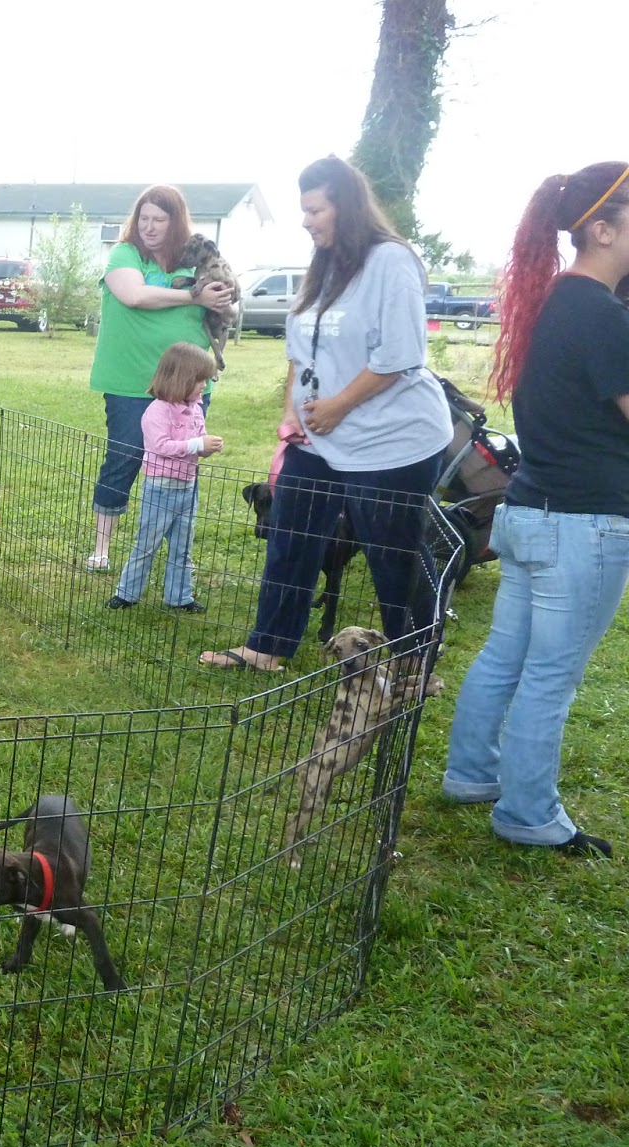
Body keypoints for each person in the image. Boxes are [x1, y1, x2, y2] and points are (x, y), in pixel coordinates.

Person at [440, 161, 629, 859]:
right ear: (602, 229)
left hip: (528, 515)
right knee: (549, 674)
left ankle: (470, 774)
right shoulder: (600, 315)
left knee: (507, 655)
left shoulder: (557, 301)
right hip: (580, 525)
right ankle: (526, 813)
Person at [201, 155, 451, 673]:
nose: (306, 220)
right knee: (290, 537)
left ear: (347, 206)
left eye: (314, 209)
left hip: (391, 443)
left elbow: (400, 356)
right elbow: (300, 353)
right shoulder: (324, 266)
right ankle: (267, 647)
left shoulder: (390, 261)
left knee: (393, 554)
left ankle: (415, 662)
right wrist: (294, 414)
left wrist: (338, 405)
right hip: (319, 440)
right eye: (304, 210)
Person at [84, 184, 236, 572]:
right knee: (125, 456)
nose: (149, 227)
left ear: (176, 222)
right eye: (144, 218)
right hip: (130, 381)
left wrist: (217, 296)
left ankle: (176, 556)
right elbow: (134, 296)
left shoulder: (196, 261)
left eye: (159, 219)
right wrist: (193, 298)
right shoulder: (125, 255)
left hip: (189, 386)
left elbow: (224, 299)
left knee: (182, 464)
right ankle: (102, 547)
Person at [106, 342, 223, 613]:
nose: (204, 386)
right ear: (180, 380)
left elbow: (197, 440)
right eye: (199, 380)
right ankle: (127, 593)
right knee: (148, 543)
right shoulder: (157, 411)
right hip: (161, 488)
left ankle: (179, 597)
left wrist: (207, 448)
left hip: (188, 487)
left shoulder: (195, 408)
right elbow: (160, 446)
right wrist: (196, 445)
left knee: (183, 546)